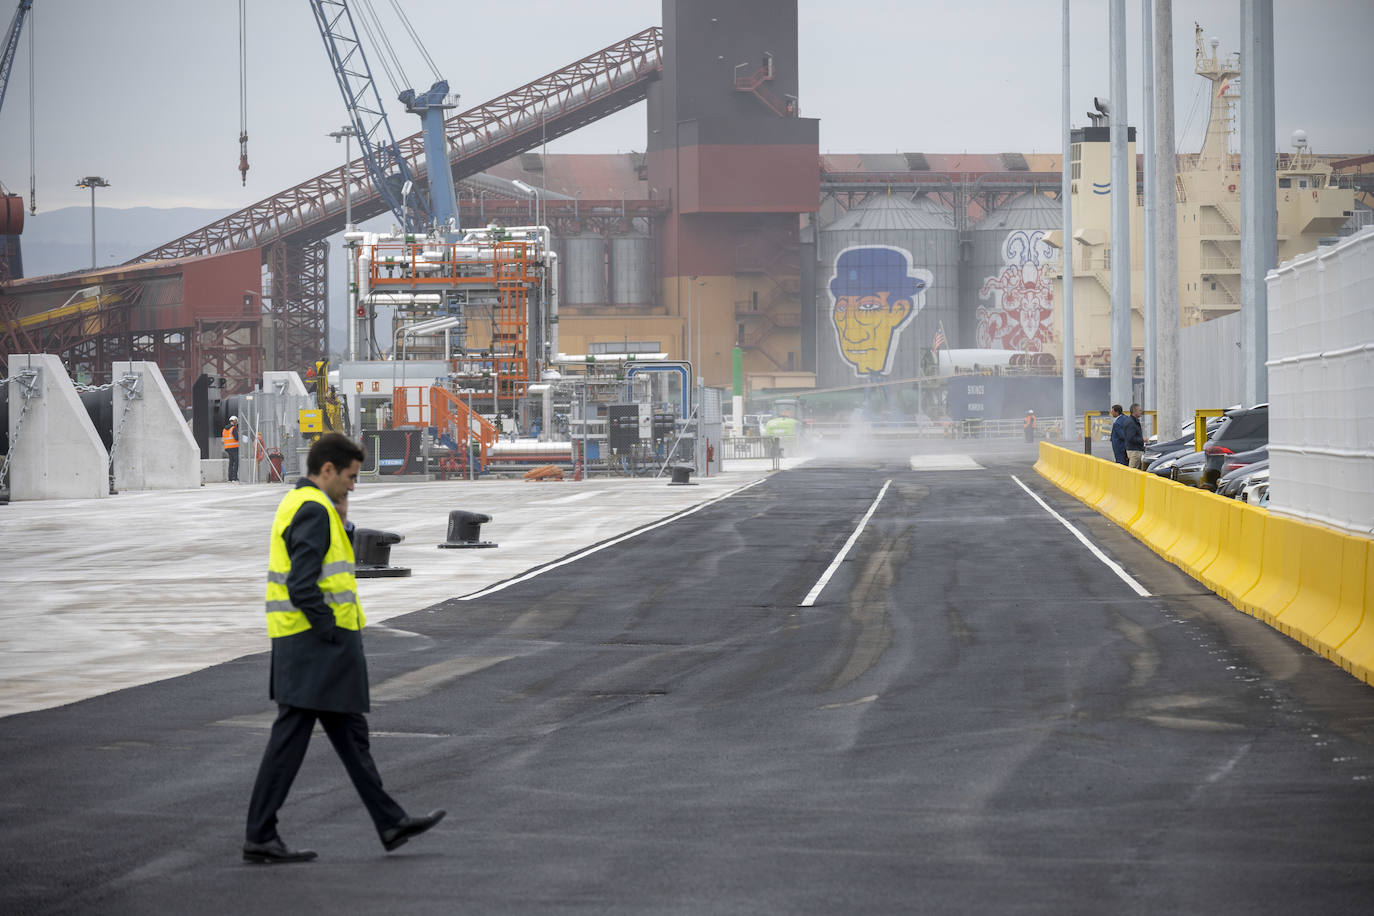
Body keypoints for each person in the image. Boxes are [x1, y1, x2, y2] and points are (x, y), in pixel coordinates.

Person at [243, 432, 444, 864]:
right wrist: (330, 629)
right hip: (315, 645)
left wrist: (344, 515)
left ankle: (390, 822)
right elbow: (301, 583)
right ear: (328, 470)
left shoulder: (306, 504)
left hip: (315, 644)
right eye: (350, 477)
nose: (354, 485)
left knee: (351, 737)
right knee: (291, 740)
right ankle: (260, 833)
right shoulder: (313, 510)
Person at [1125, 403, 1146, 468]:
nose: (1141, 412)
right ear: (1135, 411)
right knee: (1133, 470)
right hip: (1135, 451)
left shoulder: (1132, 421)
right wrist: (1142, 440)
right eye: (1139, 410)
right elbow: (1131, 438)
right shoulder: (1131, 422)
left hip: (1135, 450)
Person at [223, 415, 241, 482]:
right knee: (236, 463)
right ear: (234, 421)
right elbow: (236, 438)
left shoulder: (224, 429)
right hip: (234, 447)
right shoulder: (233, 428)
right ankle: (234, 478)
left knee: (231, 463)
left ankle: (230, 478)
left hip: (228, 448)